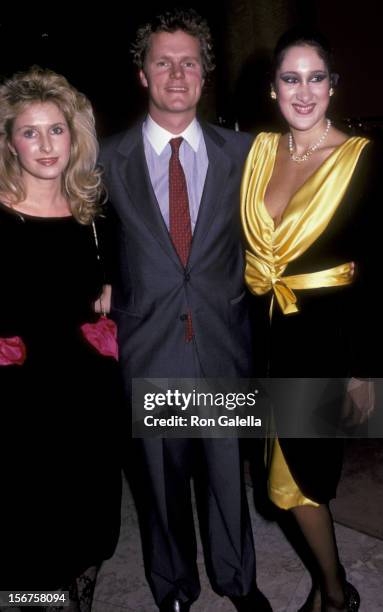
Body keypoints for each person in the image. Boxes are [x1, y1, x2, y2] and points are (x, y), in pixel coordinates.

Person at [100, 8, 271, 612]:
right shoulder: (102, 159)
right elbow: (69, 232)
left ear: (206, 73)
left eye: (190, 62)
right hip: (148, 344)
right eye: (163, 62)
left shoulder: (247, 153)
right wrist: (98, 286)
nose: (178, 74)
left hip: (223, 341)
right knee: (159, 483)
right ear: (143, 73)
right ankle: (173, 588)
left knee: (229, 478)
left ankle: (239, 582)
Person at [241, 27, 381, 612]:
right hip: (259, 335)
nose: (304, 91)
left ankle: (334, 592)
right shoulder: (256, 153)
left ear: (333, 85)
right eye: (290, 78)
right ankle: (335, 587)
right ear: (273, 89)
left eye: (316, 77)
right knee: (279, 476)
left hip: (325, 342)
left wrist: (362, 371)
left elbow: (378, 277)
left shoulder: (361, 160)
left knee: (294, 481)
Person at [0, 67, 122, 610]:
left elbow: (115, 277)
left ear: (75, 137)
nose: (45, 144)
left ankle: (81, 582)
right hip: (20, 395)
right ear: (9, 141)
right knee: (28, 522)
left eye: (56, 130)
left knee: (91, 510)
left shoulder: (93, 212)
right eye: (30, 131)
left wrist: (113, 288)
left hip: (85, 388)